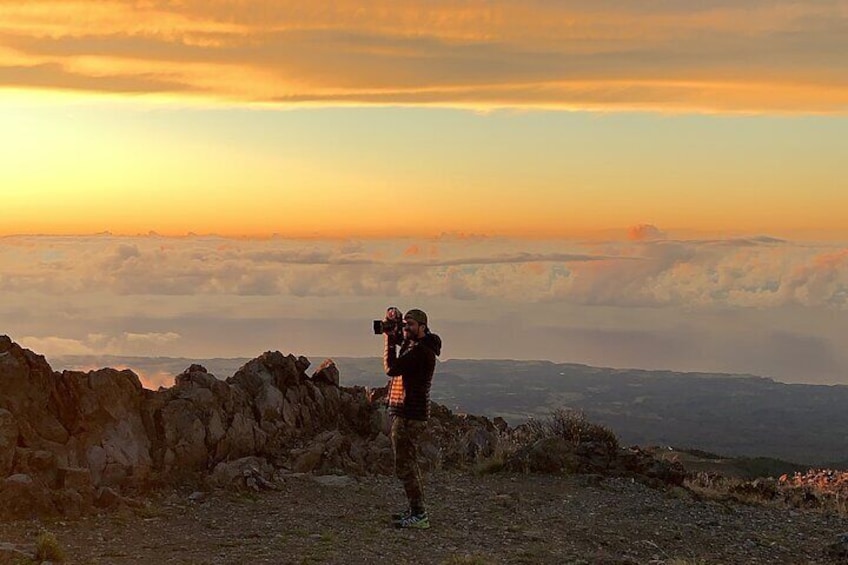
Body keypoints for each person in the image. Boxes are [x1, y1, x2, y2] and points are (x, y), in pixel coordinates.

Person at [383, 308, 442, 529]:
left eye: (410, 325)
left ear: (423, 327)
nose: (406, 328)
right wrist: (392, 321)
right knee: (409, 463)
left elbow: (391, 369)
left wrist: (389, 342)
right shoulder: (418, 345)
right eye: (405, 324)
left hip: (410, 414)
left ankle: (419, 515)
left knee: (405, 466)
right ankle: (416, 510)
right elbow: (402, 339)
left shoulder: (420, 352)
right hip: (410, 413)